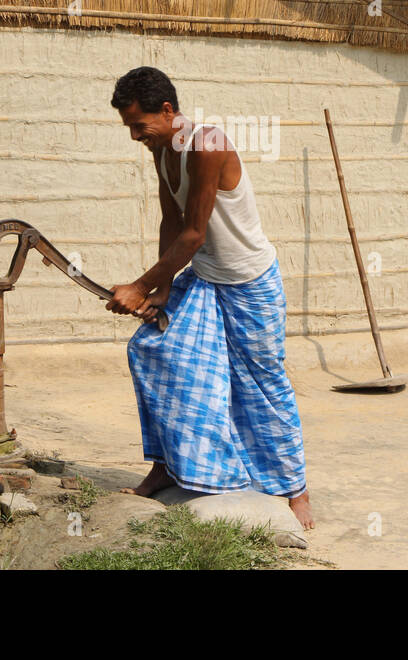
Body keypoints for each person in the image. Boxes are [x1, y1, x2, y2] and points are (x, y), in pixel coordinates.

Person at [105, 66, 314, 529]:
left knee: (262, 384)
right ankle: (167, 467)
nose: (136, 136)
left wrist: (138, 287)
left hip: (248, 282)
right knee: (153, 351)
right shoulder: (163, 151)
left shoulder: (208, 144)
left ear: (168, 110)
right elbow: (170, 224)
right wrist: (159, 291)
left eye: (140, 125)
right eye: (130, 128)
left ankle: (293, 488)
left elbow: (195, 233)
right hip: (203, 279)